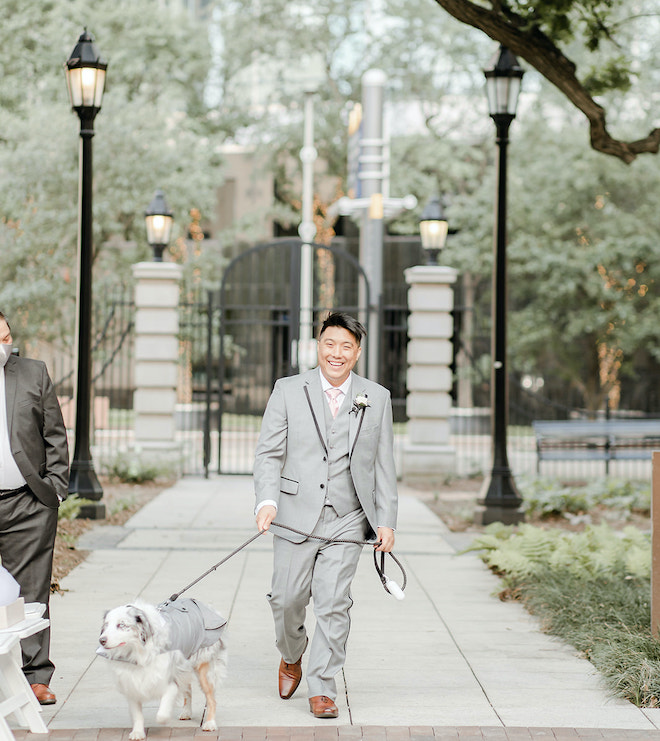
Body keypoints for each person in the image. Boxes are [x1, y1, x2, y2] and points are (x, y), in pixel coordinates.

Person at [254, 312, 398, 719]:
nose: (337, 354)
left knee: (334, 602)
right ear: (319, 345)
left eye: (346, 347)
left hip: (348, 516)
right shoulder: (287, 390)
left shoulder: (377, 397)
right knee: (286, 600)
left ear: (357, 352)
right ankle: (291, 654)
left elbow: (383, 465)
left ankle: (322, 686)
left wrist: (386, 520)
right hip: (295, 514)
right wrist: (266, 501)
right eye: (330, 344)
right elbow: (268, 453)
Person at [0, 311, 69, 705]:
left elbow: (55, 434)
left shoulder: (32, 372)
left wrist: (55, 489)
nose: (5, 346)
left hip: (28, 503)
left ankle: (35, 675)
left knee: (32, 591)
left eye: (8, 337)